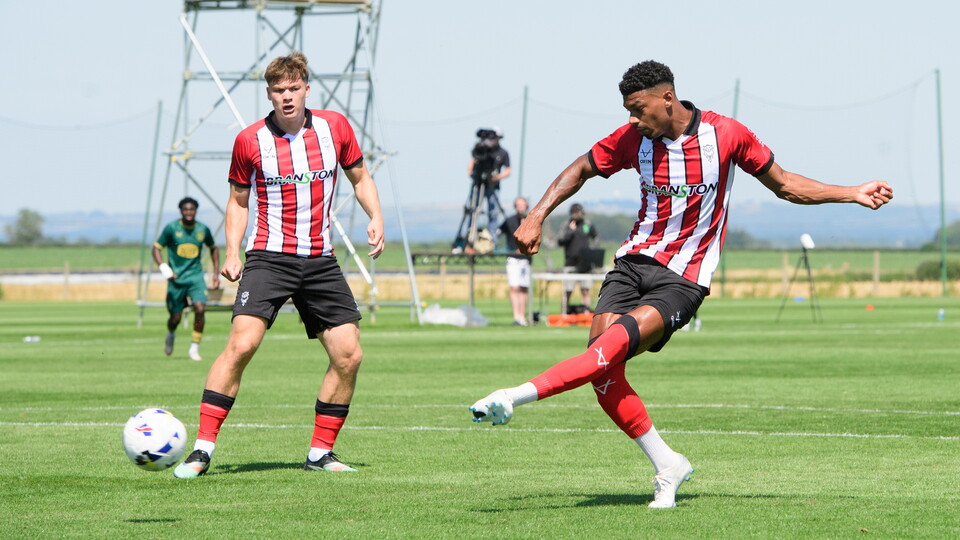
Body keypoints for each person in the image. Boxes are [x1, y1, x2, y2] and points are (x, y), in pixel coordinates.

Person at [469, 60, 893, 508]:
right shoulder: (634, 140)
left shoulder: (726, 134)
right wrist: (536, 215)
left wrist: (852, 191)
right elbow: (581, 169)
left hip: (684, 278)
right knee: (604, 374)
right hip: (632, 264)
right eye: (627, 111)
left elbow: (785, 184)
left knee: (601, 355)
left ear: (667, 99)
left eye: (638, 108)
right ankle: (668, 465)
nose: (632, 119)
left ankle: (513, 395)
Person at [173, 51, 385, 479]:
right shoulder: (249, 140)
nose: (286, 97)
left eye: (293, 89)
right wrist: (232, 252)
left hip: (320, 260)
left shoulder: (335, 128)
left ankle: (320, 453)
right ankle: (201, 449)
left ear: (307, 88)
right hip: (269, 258)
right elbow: (237, 203)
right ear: (268, 94)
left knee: (349, 355)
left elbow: (360, 178)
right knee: (242, 345)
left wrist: (376, 217)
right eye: (278, 91)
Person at [152, 197, 221, 361]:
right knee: (175, 318)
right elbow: (156, 248)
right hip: (176, 280)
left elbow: (214, 248)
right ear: (181, 211)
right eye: (185, 209)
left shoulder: (202, 229)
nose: (189, 212)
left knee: (200, 308)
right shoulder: (172, 228)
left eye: (192, 209)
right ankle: (171, 334)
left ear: (196, 210)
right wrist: (164, 268)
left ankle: (194, 348)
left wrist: (216, 273)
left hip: (195, 277)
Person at [466, 127, 511, 247]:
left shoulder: (503, 153)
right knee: (473, 210)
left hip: (493, 186)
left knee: (493, 212)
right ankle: (470, 238)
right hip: (478, 183)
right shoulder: (482, 150)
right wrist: (471, 171)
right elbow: (473, 159)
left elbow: (508, 171)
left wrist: (496, 177)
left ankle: (492, 241)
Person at [557, 203, 599, 312]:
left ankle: (585, 312)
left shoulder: (587, 224)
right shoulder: (566, 225)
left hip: (585, 263)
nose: (577, 214)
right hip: (570, 262)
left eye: (579, 212)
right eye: (575, 212)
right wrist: (571, 231)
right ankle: (564, 312)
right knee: (568, 289)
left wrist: (592, 250)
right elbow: (560, 241)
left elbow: (596, 237)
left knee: (585, 289)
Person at [498, 197, 532, 326]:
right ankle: (516, 316)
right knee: (514, 287)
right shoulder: (509, 221)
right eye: (519, 205)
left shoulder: (530, 220)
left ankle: (522, 316)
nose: (521, 207)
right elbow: (498, 232)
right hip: (513, 258)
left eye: (523, 205)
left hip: (525, 259)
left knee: (524, 287)